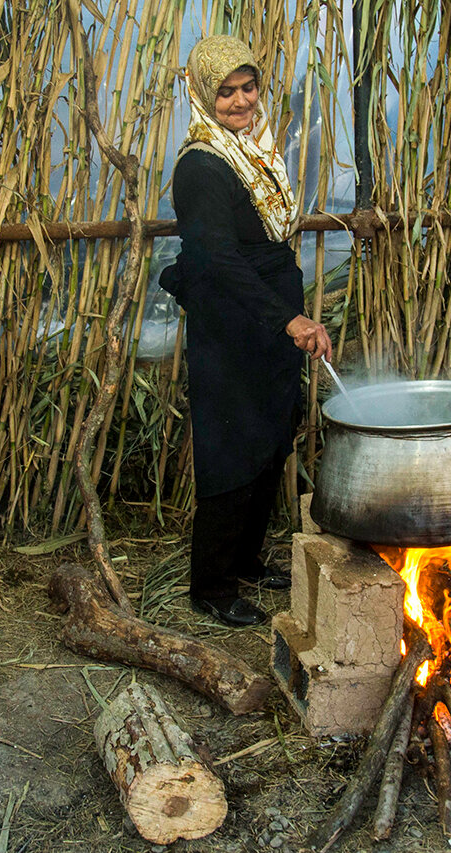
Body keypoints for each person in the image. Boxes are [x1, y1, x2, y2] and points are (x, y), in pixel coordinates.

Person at [159, 35, 333, 628]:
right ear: (203, 95)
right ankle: (211, 586)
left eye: (247, 87)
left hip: (267, 319)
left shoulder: (252, 149)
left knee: (270, 440)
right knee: (231, 450)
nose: (240, 101)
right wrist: (289, 319)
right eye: (225, 91)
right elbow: (217, 261)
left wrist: (286, 315)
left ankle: (247, 563)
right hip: (233, 325)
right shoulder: (202, 165)